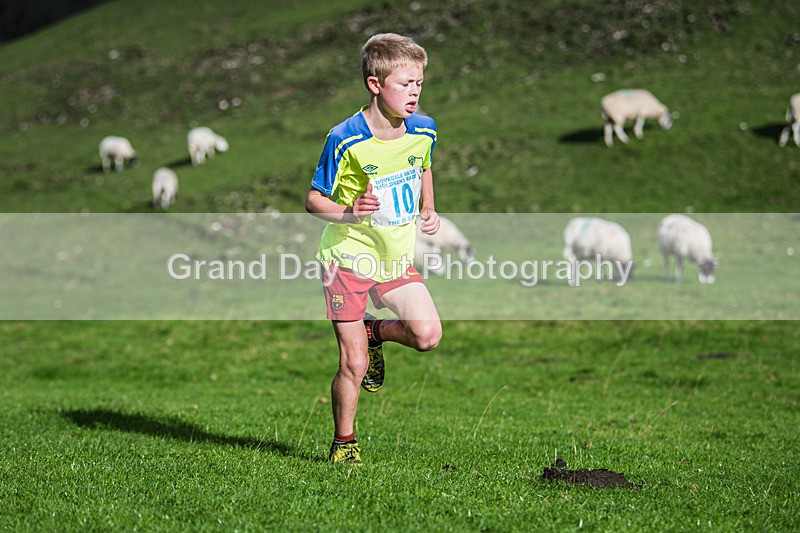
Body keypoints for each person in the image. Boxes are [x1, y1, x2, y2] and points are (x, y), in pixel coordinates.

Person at [305, 33, 443, 464]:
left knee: (428, 335)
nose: (415, 92)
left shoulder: (425, 128)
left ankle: (374, 328)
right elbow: (313, 200)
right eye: (405, 83)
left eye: (419, 82)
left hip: (395, 259)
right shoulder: (344, 138)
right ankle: (344, 444)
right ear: (375, 84)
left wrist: (430, 208)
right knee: (355, 364)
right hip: (346, 259)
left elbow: (423, 166)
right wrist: (350, 212)